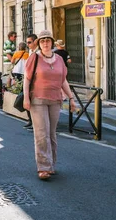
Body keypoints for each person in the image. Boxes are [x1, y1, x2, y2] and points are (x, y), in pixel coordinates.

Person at [23, 30, 77, 180]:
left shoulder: (59, 59)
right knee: (41, 134)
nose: (45, 43)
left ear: (52, 42)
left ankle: (51, 164)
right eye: (42, 41)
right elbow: (27, 79)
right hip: (38, 100)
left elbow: (63, 80)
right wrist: (26, 98)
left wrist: (71, 98)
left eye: (48, 40)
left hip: (55, 100)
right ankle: (43, 167)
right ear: (39, 44)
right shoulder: (34, 58)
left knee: (51, 134)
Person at [23, 33, 38, 129]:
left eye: (29, 42)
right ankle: (31, 120)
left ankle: (34, 122)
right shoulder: (32, 52)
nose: (27, 44)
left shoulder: (37, 53)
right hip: (29, 80)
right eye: (27, 42)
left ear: (35, 42)